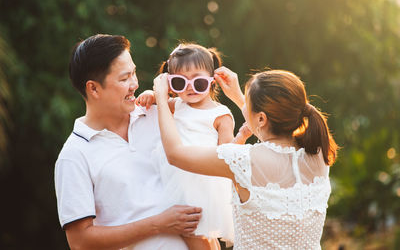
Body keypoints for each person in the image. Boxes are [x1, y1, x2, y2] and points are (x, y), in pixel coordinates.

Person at [153, 67, 338, 249]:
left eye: (247, 105)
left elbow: (175, 154)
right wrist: (237, 94)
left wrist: (161, 99)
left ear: (261, 119)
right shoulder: (318, 153)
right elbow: (266, 126)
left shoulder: (242, 160)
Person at [54, 34, 202, 250]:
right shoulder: (74, 155)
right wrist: (158, 224)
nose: (135, 84)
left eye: (133, 73)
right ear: (93, 89)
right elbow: (80, 241)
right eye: (124, 79)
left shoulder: (158, 114)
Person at [136, 43, 248, 250]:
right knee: (199, 235)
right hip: (175, 178)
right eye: (180, 82)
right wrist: (151, 95)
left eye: (198, 82)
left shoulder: (220, 114)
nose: (189, 87)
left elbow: (227, 154)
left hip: (202, 181)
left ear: (212, 81)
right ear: (170, 85)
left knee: (196, 233)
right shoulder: (176, 104)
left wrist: (241, 137)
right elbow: (159, 103)